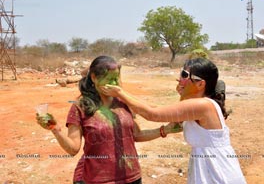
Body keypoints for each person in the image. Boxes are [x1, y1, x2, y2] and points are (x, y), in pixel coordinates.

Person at [36, 55, 181, 184]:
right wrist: (54, 128)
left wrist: (165, 129)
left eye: (116, 78)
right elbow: (73, 148)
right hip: (98, 179)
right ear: (94, 78)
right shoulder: (81, 107)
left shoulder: (124, 102)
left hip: (132, 178)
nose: (115, 83)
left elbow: (136, 135)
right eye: (109, 78)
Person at [101, 57, 247, 184]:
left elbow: (153, 114)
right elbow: (155, 107)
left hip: (217, 171)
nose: (179, 79)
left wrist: (119, 93)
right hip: (209, 167)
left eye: (184, 75)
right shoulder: (201, 103)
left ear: (200, 84)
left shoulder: (201, 105)